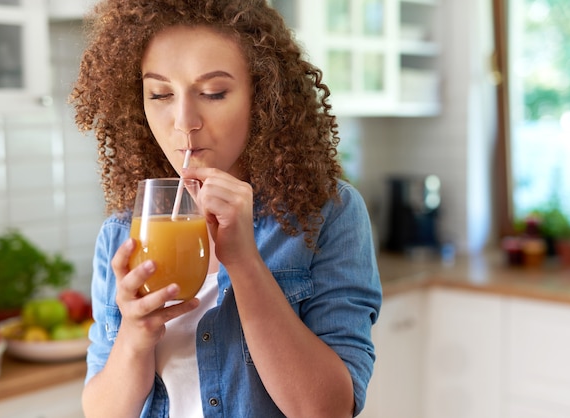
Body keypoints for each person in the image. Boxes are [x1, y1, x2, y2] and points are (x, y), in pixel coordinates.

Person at [70, 0, 382, 417]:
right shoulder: (123, 232)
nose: (184, 121)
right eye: (160, 93)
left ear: (262, 95)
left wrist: (245, 263)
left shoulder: (327, 215)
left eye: (214, 93)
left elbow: (327, 410)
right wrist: (134, 336)